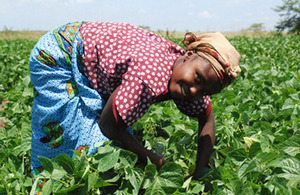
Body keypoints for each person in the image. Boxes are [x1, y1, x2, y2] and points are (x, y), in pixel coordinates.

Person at [29, 21, 241, 191]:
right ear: (187, 55)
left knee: (115, 141)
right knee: (67, 131)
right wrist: (152, 159)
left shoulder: (187, 76)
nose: (195, 91)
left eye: (204, 91)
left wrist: (200, 171)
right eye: (198, 79)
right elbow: (109, 126)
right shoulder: (148, 77)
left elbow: (207, 118)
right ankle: (48, 183)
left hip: (91, 59)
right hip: (59, 54)